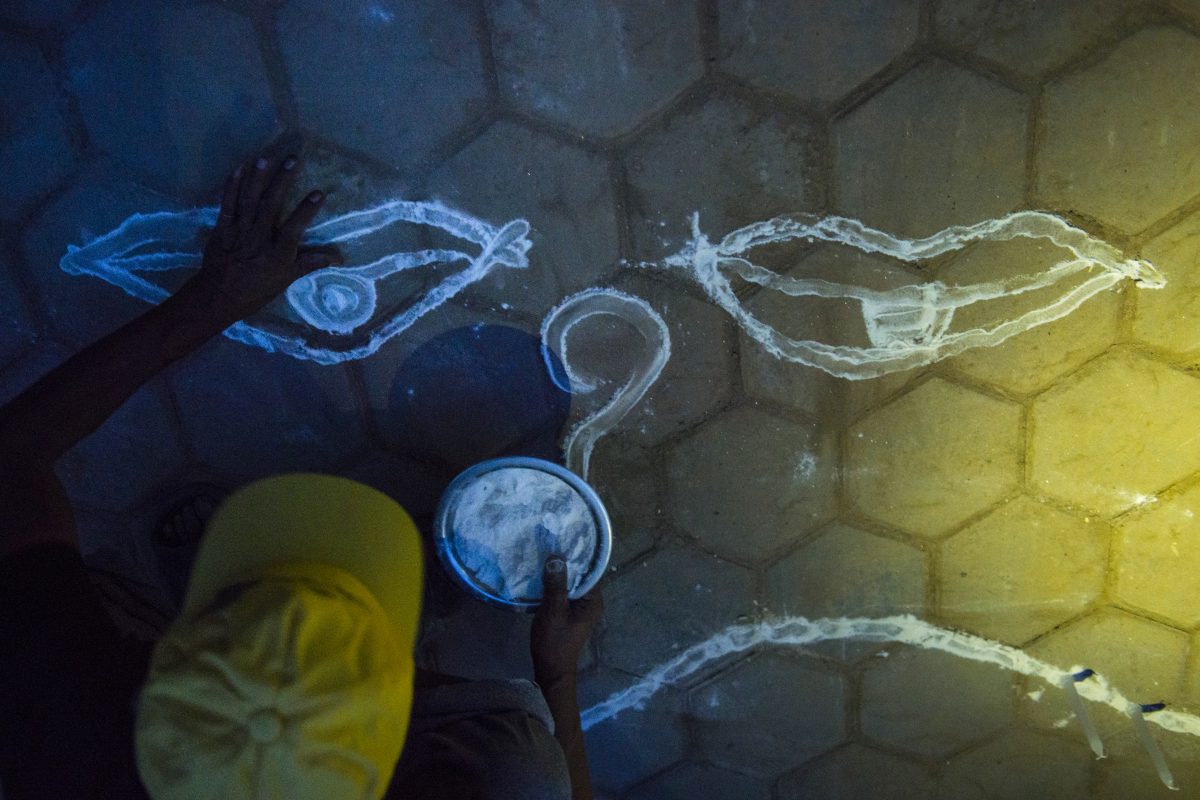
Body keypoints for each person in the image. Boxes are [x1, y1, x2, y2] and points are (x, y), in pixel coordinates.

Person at [0, 153, 602, 800]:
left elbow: (10, 461)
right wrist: (556, 679)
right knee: (518, 767)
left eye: (243, 614)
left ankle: (195, 604)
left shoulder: (68, 741)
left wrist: (210, 302)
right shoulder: (498, 765)